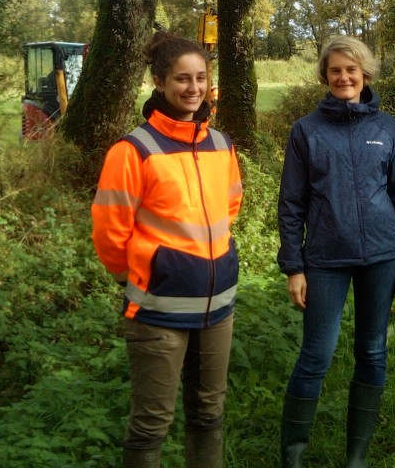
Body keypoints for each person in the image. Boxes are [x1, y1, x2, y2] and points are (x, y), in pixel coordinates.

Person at [91, 31, 244, 468]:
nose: (194, 88)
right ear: (159, 82)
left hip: (218, 306)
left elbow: (231, 205)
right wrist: (143, 272)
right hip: (158, 310)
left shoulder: (221, 144)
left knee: (209, 413)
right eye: (182, 79)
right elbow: (110, 229)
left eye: (201, 78)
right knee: (151, 424)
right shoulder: (133, 150)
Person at [277, 35, 395, 468]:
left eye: (351, 70)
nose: (344, 77)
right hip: (325, 259)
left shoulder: (387, 128)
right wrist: (294, 266)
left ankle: (356, 457)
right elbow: (291, 204)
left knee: (372, 352)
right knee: (316, 355)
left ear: (366, 75)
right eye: (335, 70)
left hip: (383, 256)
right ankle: (293, 456)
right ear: (325, 76)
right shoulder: (306, 131)